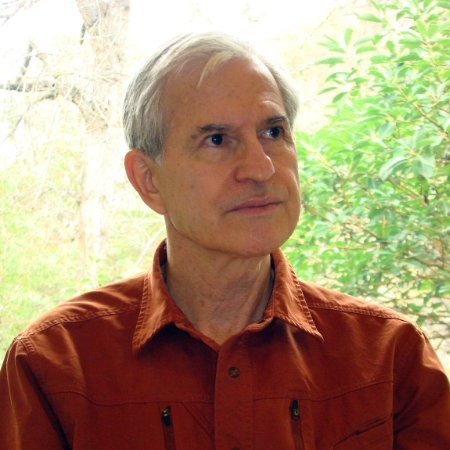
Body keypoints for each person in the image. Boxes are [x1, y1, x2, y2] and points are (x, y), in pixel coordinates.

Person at [0, 32, 449, 450]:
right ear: (148, 180)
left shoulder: (391, 356)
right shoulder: (53, 364)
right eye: (217, 140)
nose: (261, 168)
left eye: (273, 133)